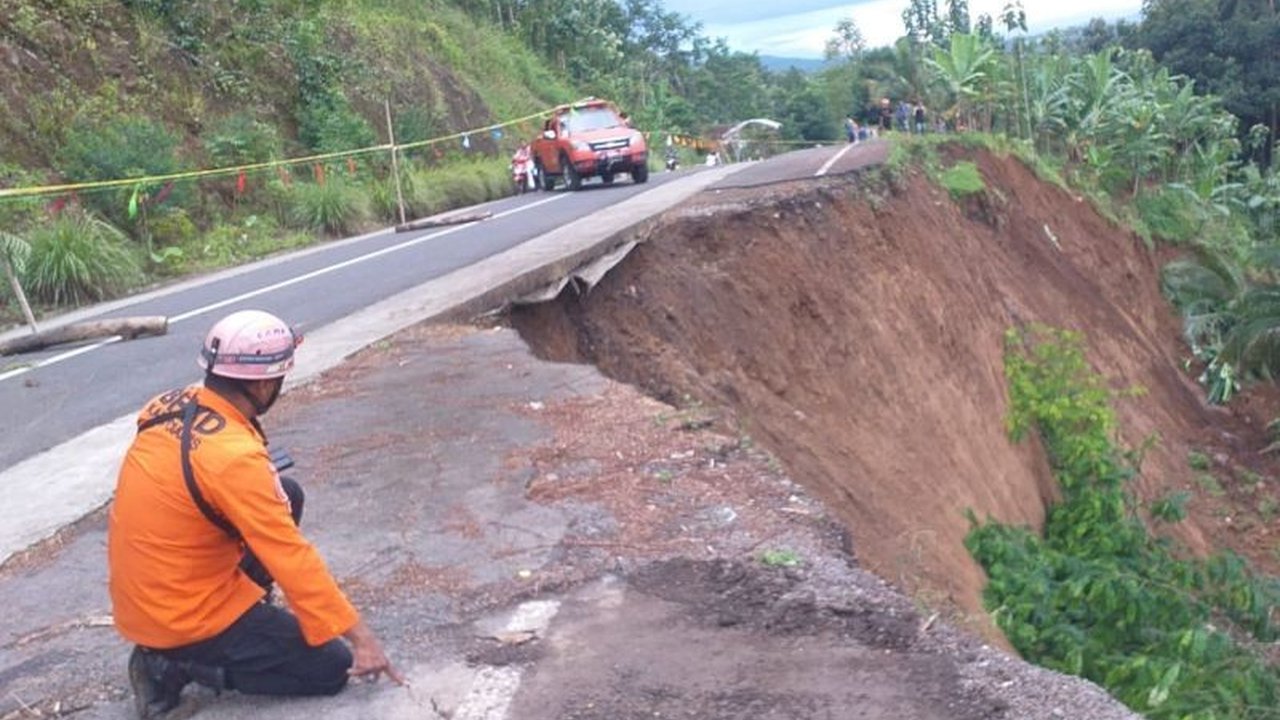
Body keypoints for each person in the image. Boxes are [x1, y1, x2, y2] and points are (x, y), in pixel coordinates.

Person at [109, 309, 402, 719]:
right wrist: (362, 639)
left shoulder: (166, 406)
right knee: (331, 668)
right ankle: (173, 664)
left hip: (148, 592)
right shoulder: (233, 458)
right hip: (180, 616)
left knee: (287, 494)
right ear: (264, 384)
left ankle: (231, 628)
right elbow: (290, 556)